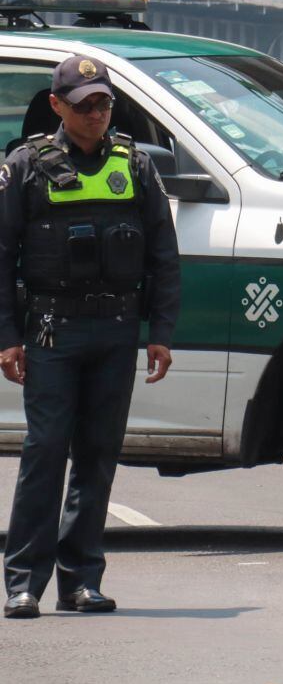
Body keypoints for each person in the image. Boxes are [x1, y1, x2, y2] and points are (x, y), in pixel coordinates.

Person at [1, 55, 181, 619]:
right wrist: (7, 335)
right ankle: (23, 583)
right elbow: (2, 258)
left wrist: (162, 332)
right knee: (45, 450)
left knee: (98, 455)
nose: (97, 114)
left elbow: (162, 254)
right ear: (58, 106)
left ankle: (81, 580)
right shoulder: (26, 166)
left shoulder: (135, 164)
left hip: (117, 327)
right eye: (85, 105)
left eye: (104, 103)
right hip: (53, 328)